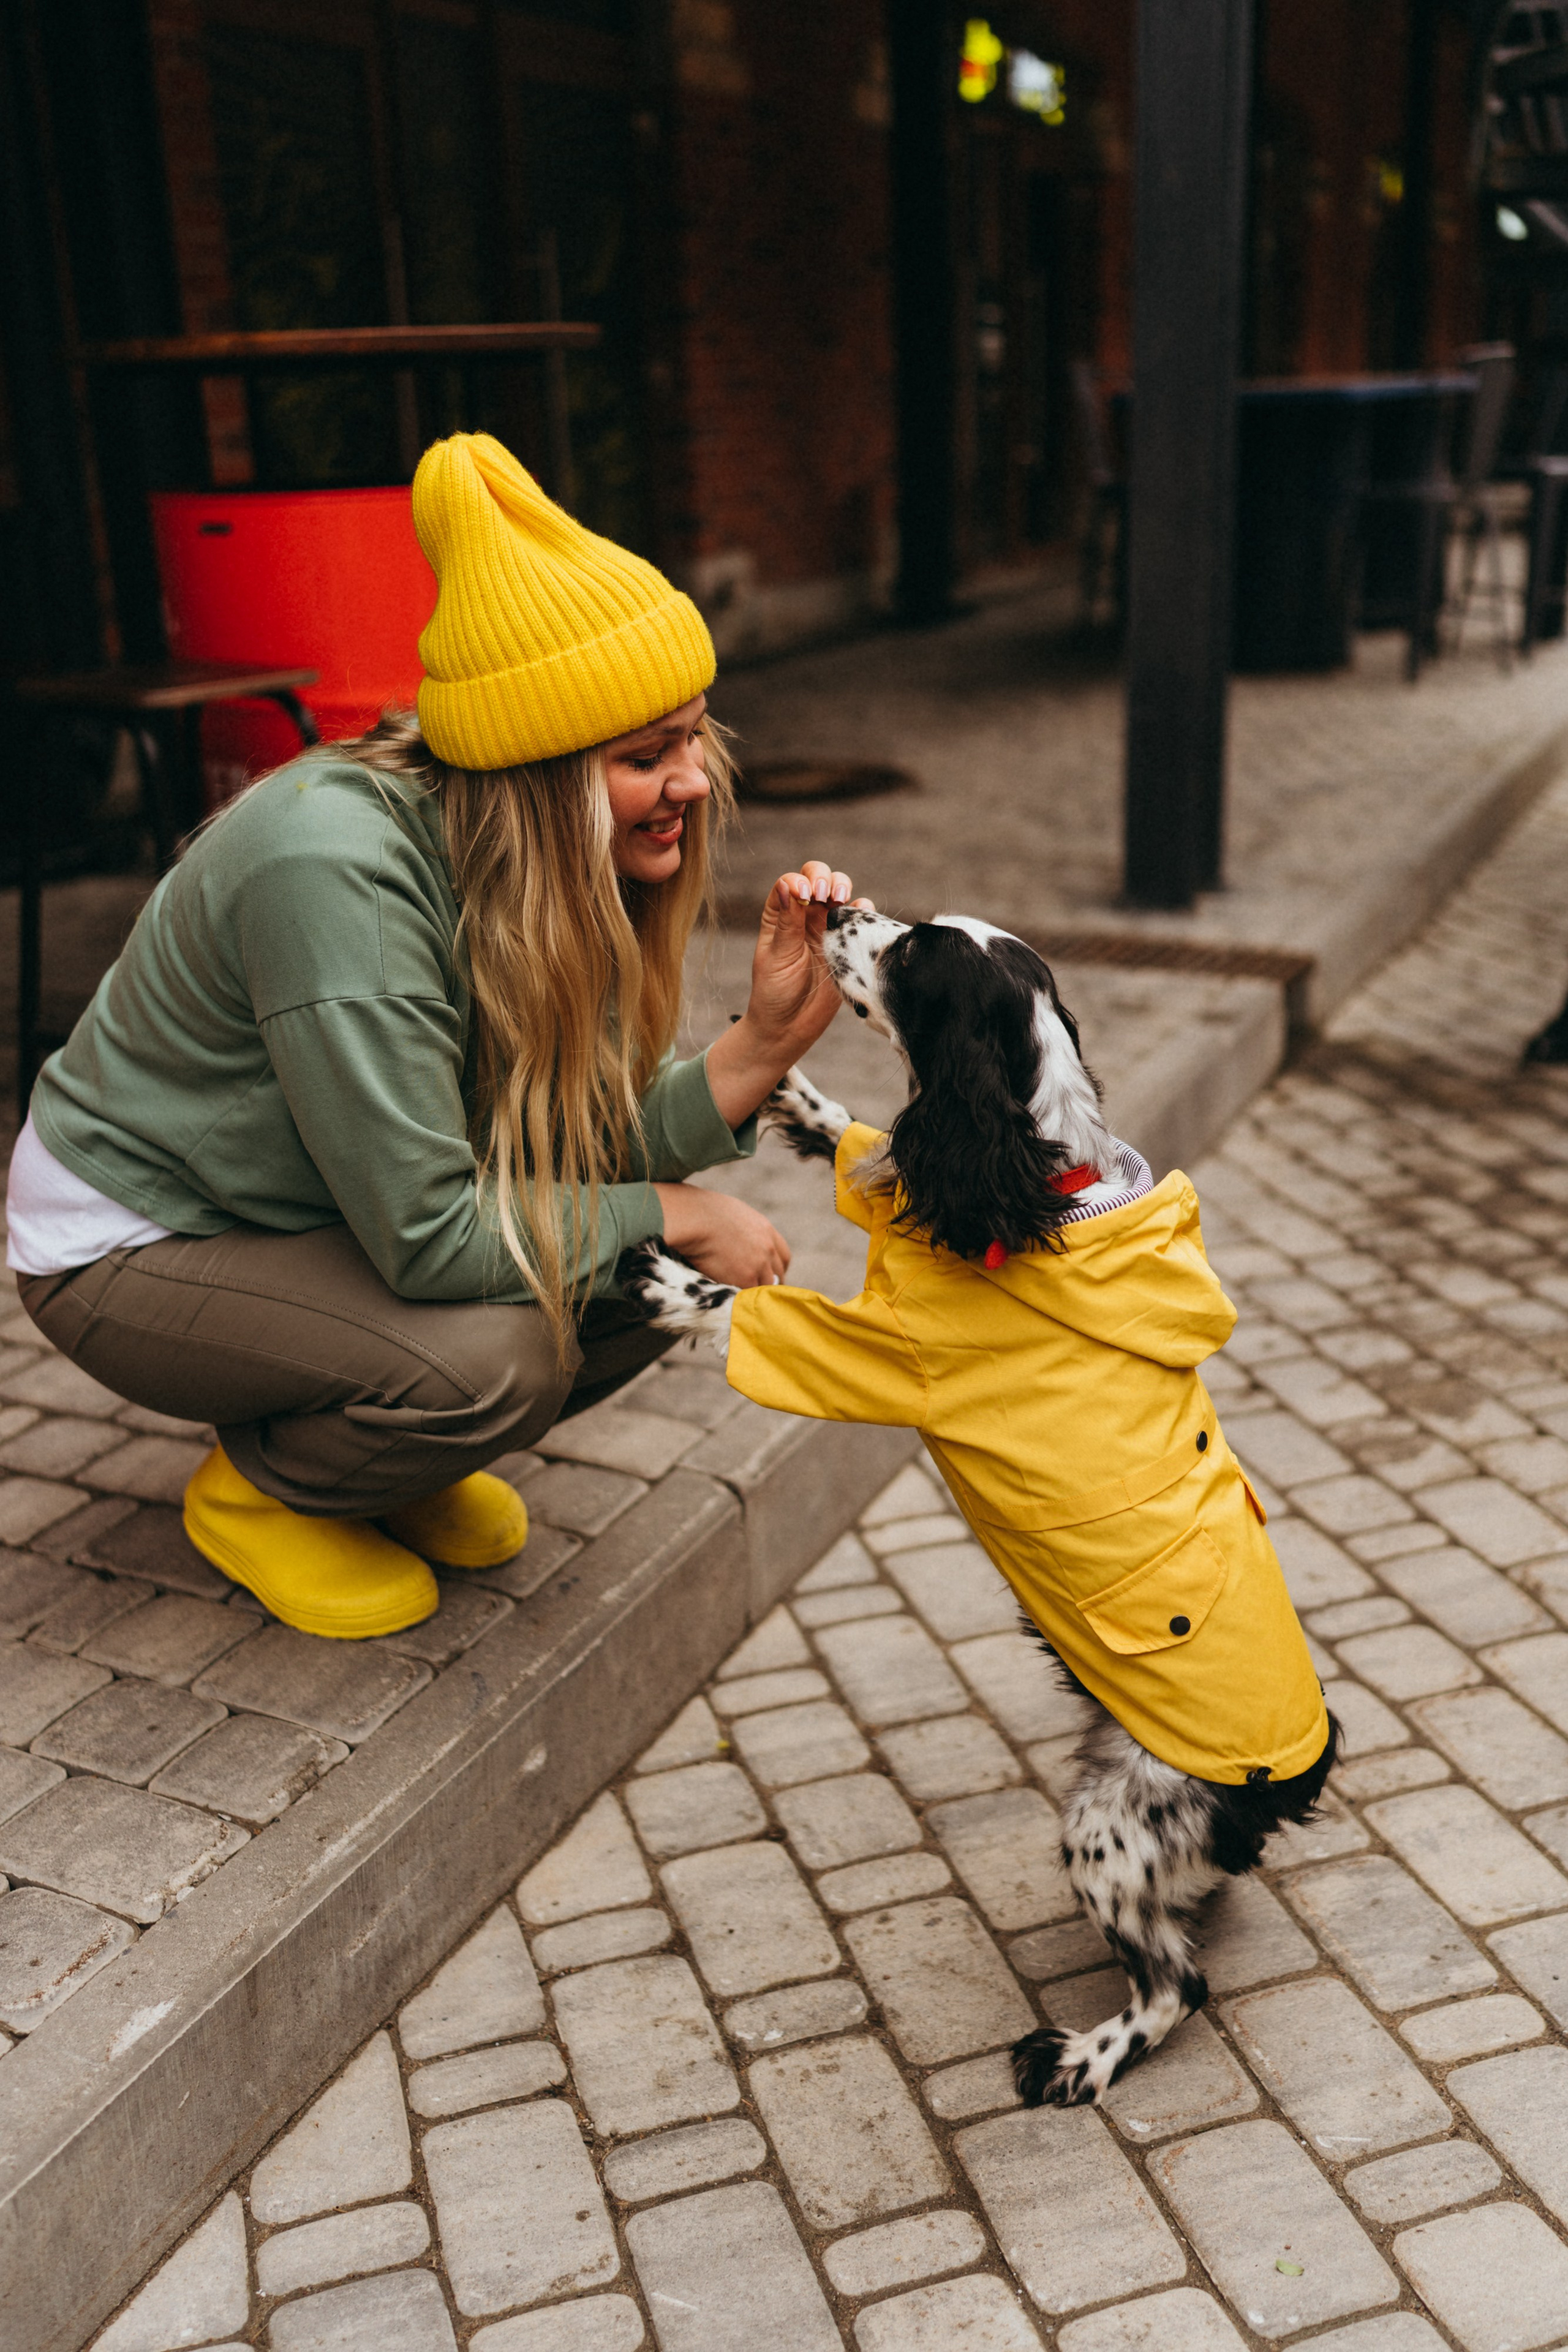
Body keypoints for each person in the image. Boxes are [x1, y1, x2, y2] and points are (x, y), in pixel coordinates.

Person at [7, 433, 866, 1638]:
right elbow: (427, 1239)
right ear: (538, 768)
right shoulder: (336, 874)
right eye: (643, 755)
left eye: (691, 734)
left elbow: (561, 1143)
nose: (692, 781)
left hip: (301, 1199)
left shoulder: (526, 856)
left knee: (633, 1284)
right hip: (137, 1233)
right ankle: (267, 1492)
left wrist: (757, 1050)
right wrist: (680, 1208)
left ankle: (376, 1463)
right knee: (497, 1352)